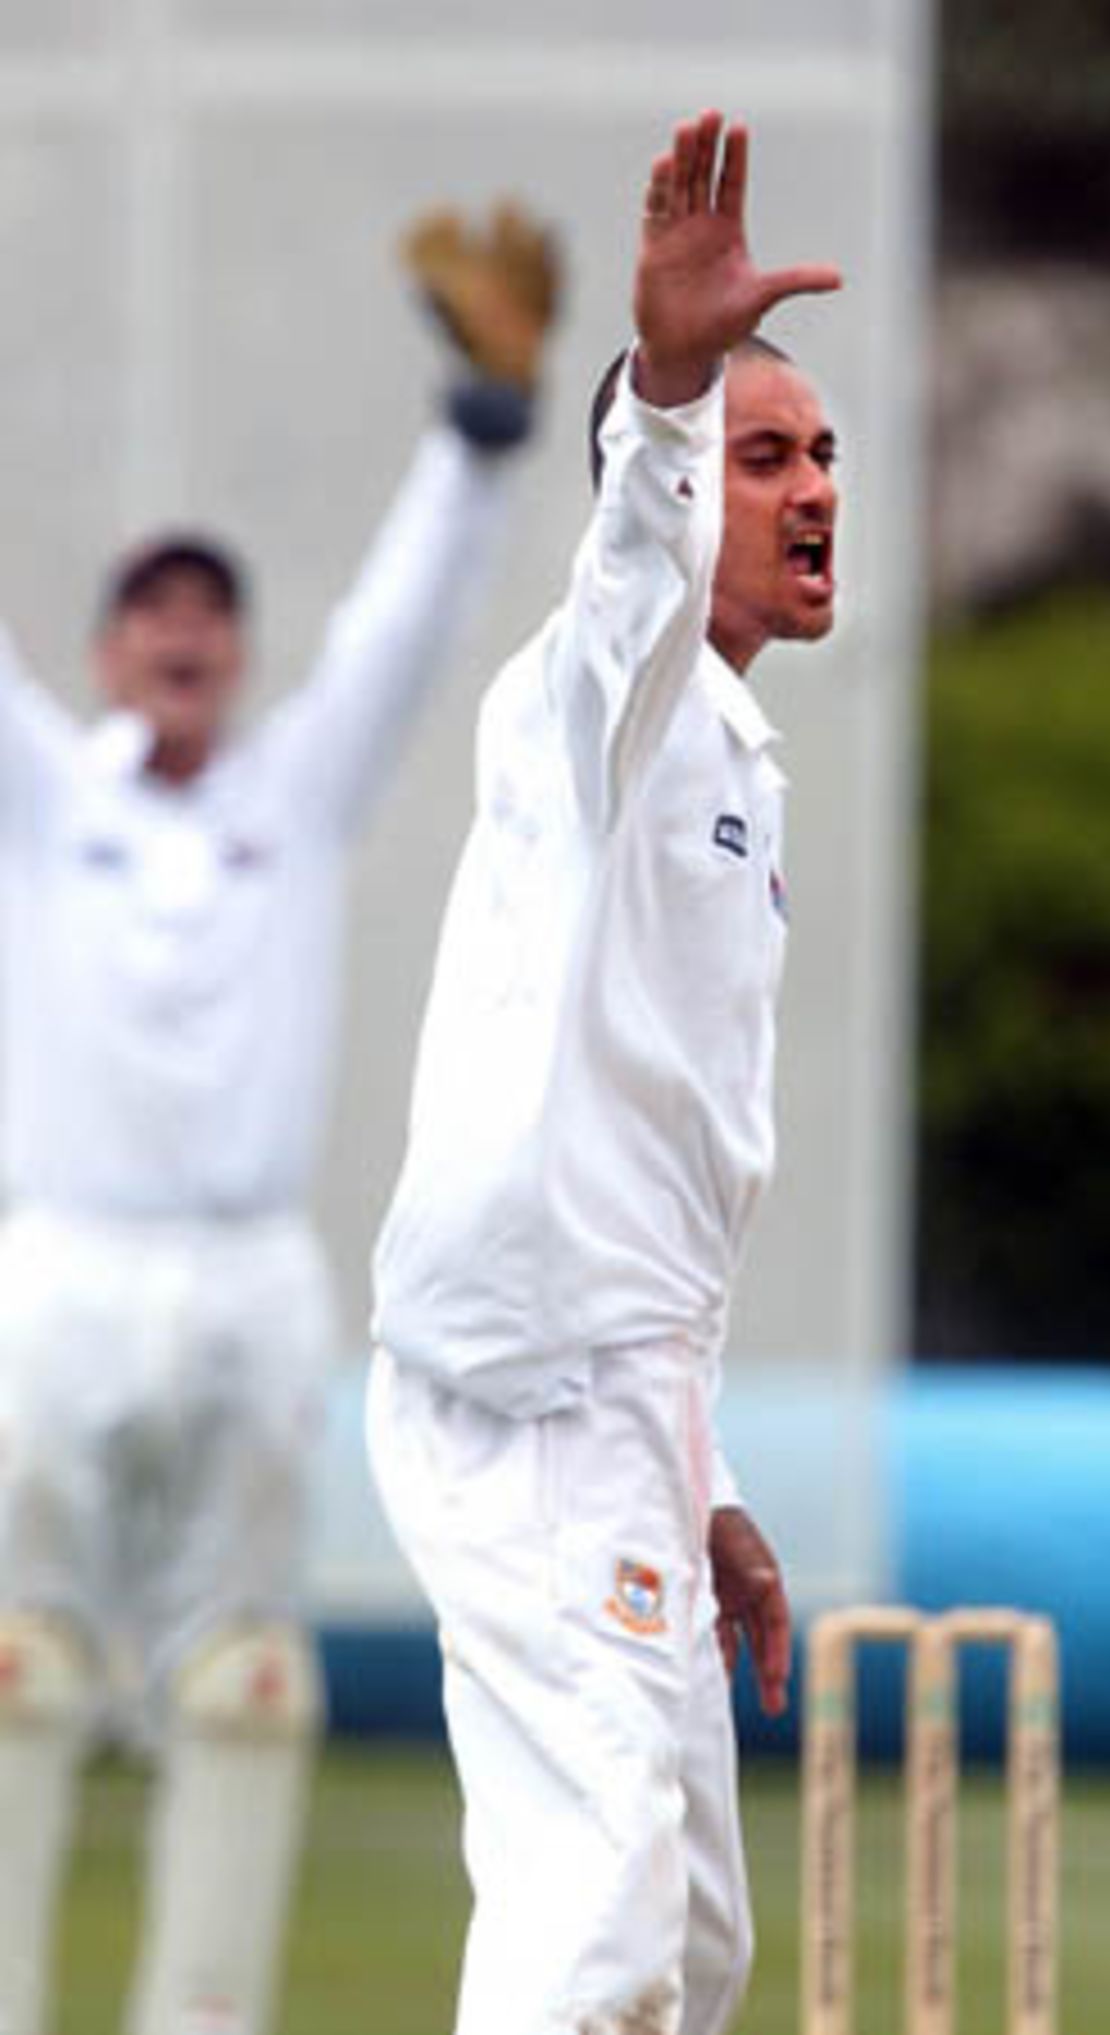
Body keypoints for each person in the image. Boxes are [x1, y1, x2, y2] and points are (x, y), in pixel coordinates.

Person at [0, 201, 559, 2035]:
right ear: (103, 651)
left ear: (234, 654)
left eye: (209, 616)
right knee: (18, 1668)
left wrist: (478, 434)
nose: (183, 638)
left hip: (248, 1274)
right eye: (151, 613)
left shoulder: (295, 800)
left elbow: (405, 628)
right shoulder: (40, 808)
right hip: (59, 1269)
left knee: (246, 1678)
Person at [367, 110, 841, 2035]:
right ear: (663, 498)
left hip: (624, 1400)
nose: (815, 491)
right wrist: (660, 381)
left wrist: (704, 1477)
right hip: (538, 1384)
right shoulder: (600, 705)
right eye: (766, 458)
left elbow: (654, 1168)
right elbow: (624, 595)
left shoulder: (735, 763)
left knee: (690, 1947)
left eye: (822, 456)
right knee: (601, 1925)